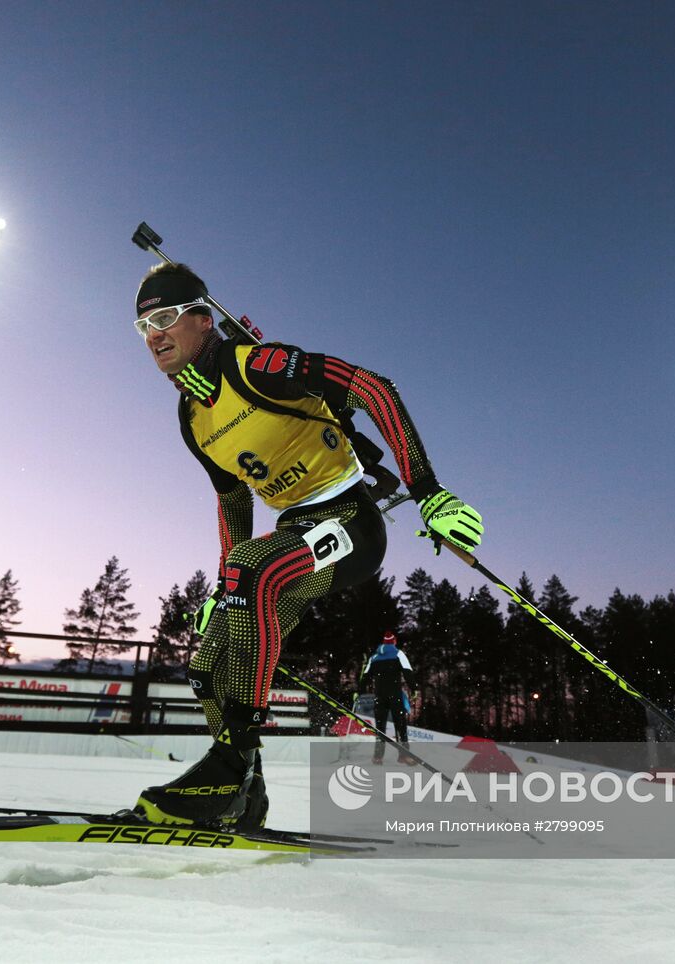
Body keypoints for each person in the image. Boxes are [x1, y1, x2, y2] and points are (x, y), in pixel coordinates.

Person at [130, 262, 483, 829]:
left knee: (250, 571)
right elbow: (233, 503)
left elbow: (372, 387)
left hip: (352, 522)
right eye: (143, 326)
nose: (155, 335)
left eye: (167, 317)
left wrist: (429, 492)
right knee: (206, 663)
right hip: (296, 533)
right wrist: (225, 588)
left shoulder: (257, 364)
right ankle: (246, 793)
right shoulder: (190, 416)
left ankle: (230, 766)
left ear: (203, 318)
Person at [359, 631, 417, 764]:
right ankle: (404, 755)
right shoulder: (398, 654)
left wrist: (359, 691)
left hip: (380, 696)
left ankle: (377, 757)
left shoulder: (374, 657)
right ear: (394, 641)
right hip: (395, 695)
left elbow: (366, 676)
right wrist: (414, 688)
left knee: (380, 727)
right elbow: (408, 671)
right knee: (400, 725)